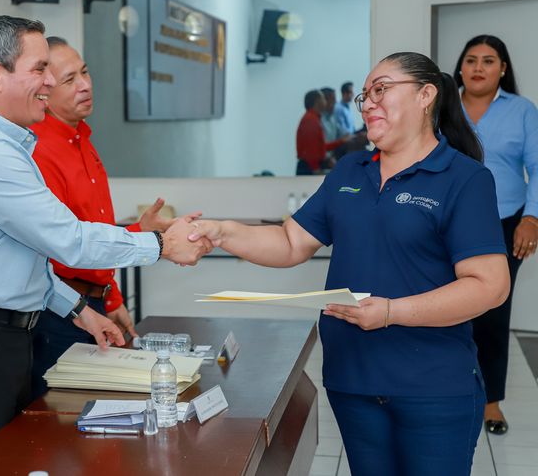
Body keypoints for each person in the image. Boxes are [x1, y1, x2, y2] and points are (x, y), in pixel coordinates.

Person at [190, 52, 510, 475]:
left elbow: (489, 284)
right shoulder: (350, 170)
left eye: (382, 89)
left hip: (432, 385)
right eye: (365, 95)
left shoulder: (463, 178)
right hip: (352, 381)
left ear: (425, 96)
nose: (369, 102)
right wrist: (221, 231)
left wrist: (393, 312)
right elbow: (290, 242)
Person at [0, 16, 209, 474]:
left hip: (0, 338)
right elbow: (68, 240)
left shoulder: (8, 144)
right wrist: (161, 244)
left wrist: (80, 310)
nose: (50, 83)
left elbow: (22, 258)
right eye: (40, 70)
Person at [29, 37, 187, 396]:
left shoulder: (82, 140)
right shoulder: (39, 150)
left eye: (85, 72)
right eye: (70, 80)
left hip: (94, 301)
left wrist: (112, 296)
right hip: (60, 311)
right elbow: (61, 246)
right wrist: (156, 244)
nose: (85, 85)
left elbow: (93, 233)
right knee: (66, 422)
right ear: (45, 89)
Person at [453, 34, 538, 435]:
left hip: (507, 221)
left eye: (489, 60)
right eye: (471, 60)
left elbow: (537, 168)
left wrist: (533, 219)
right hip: (448, 221)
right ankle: (448, 391)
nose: (478, 68)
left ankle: (490, 402)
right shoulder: (440, 107)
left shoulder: (522, 110)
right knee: (447, 309)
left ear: (503, 68)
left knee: (492, 312)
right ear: (460, 67)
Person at [296, 89, 345, 174]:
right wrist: (316, 169)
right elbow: (310, 151)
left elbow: (320, 147)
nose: (325, 101)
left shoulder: (313, 118)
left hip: (312, 166)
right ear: (318, 101)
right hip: (309, 168)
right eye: (323, 99)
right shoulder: (310, 120)